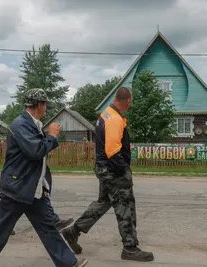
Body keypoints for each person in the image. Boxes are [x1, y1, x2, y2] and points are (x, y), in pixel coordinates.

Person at [0, 88, 88, 267]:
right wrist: (52, 136)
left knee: (48, 228)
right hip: (17, 188)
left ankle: (68, 263)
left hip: (31, 188)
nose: (46, 110)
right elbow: (35, 151)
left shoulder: (33, 124)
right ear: (40, 105)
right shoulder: (20, 124)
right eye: (45, 106)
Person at [61, 87, 154, 262]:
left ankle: (73, 231)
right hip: (113, 170)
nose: (131, 103)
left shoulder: (107, 114)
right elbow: (112, 151)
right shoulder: (115, 120)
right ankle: (130, 248)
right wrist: (123, 171)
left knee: (103, 203)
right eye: (131, 101)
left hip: (104, 168)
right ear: (127, 100)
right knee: (125, 206)